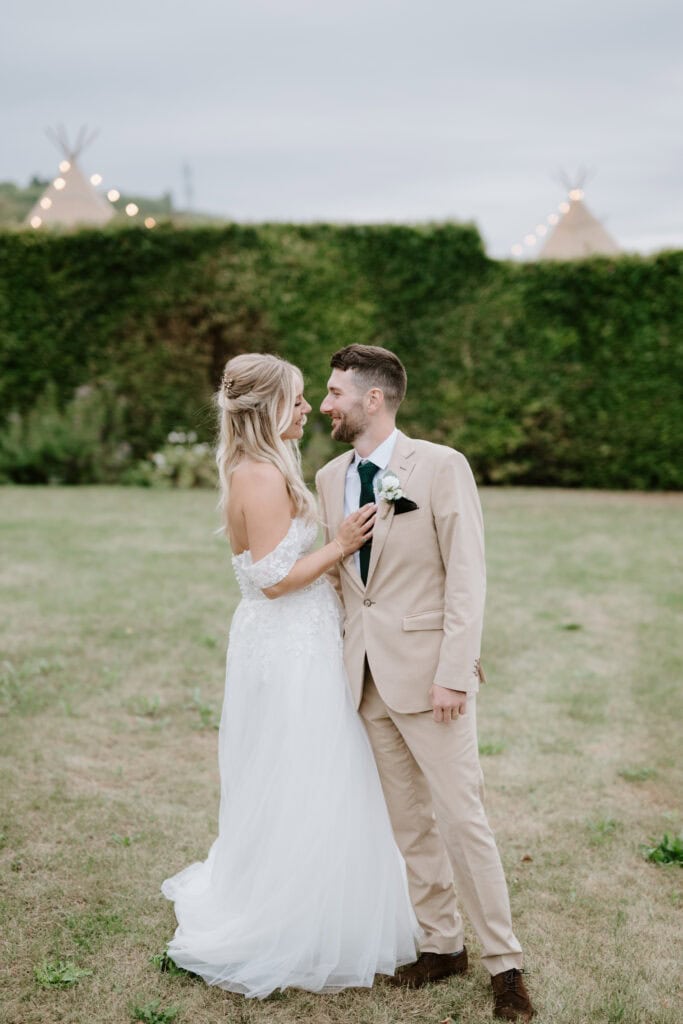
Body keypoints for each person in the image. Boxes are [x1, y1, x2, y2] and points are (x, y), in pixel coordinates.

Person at [161, 352, 419, 998]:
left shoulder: (269, 466)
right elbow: (273, 580)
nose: (309, 409)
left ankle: (323, 900)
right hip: (286, 646)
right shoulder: (257, 475)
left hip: (296, 638)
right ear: (268, 408)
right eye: (299, 399)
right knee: (303, 770)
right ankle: (291, 920)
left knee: (316, 769)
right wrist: (340, 544)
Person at [316, 344, 535, 1022]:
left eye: (333, 393)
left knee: (461, 821)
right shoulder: (328, 477)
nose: (325, 404)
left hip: (429, 679)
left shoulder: (439, 467)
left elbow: (467, 576)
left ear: (371, 399)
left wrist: (454, 674)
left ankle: (504, 964)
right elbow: (342, 582)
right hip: (365, 678)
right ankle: (442, 945)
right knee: (408, 825)